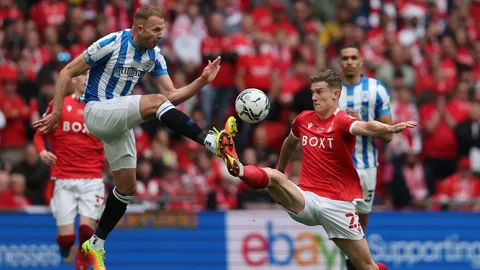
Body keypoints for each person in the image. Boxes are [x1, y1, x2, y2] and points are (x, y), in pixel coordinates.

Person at [32, 5, 236, 270]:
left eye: (162, 29)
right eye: (155, 30)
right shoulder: (111, 43)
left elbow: (171, 97)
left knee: (127, 188)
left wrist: (201, 82)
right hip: (96, 112)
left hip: (119, 120)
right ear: (139, 29)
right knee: (154, 101)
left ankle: (96, 243)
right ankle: (211, 141)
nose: (160, 35)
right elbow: (67, 72)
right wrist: (57, 111)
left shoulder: (154, 55)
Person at [218, 70, 416, 270]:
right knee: (273, 175)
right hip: (308, 199)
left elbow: (366, 127)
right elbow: (289, 144)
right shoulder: (304, 119)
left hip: (338, 205)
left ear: (335, 94)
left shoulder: (342, 121)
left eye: (319, 92)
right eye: (313, 92)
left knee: (366, 266)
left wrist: (387, 128)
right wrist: (280, 172)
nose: (314, 97)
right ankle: (238, 168)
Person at [33, 73, 101, 270]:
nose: (88, 78)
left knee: (87, 230)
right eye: (83, 74)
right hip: (64, 178)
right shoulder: (59, 104)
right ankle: (64, 245)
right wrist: (42, 152)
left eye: (91, 74)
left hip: (93, 178)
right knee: (67, 239)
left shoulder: (101, 107)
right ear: (73, 80)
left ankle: (81, 265)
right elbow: (39, 134)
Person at [337, 45, 393, 268]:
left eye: (353, 58)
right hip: (339, 169)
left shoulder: (377, 89)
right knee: (341, 223)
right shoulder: (331, 92)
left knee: (359, 225)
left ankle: (353, 264)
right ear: (339, 63)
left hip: (367, 167)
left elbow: (388, 135)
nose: (349, 62)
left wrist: (363, 124)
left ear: (361, 61)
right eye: (345, 58)